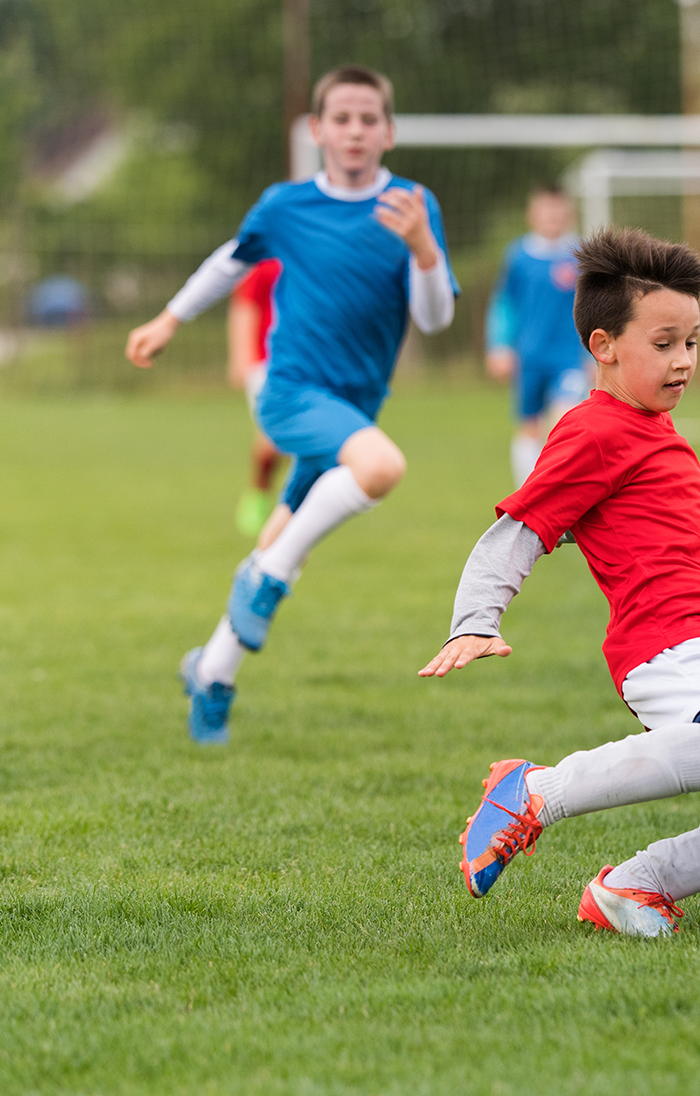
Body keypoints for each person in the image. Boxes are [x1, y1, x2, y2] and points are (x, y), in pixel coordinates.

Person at [421, 228, 700, 937]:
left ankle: (635, 885)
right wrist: (477, 618)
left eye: (691, 342)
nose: (684, 361)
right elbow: (520, 528)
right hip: (663, 642)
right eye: (664, 344)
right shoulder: (593, 428)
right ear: (604, 346)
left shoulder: (651, 427)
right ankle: (535, 792)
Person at [125, 65, 459, 744]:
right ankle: (265, 579)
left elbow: (435, 319)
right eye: (342, 118)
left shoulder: (413, 205)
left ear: (388, 132)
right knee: (381, 468)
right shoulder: (285, 205)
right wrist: (168, 320)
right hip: (291, 393)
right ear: (317, 130)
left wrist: (424, 247)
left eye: (369, 119)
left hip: (357, 405)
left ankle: (211, 674)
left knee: (283, 531)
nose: (356, 130)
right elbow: (230, 259)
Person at [483, 185, 591, 488]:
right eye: (546, 210)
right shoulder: (518, 256)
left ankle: (559, 495)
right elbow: (504, 304)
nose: (553, 217)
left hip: (568, 357)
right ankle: (526, 497)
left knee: (563, 423)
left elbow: (596, 309)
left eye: (559, 211)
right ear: (532, 214)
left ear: (569, 214)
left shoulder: (581, 255)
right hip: (529, 356)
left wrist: (593, 355)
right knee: (529, 427)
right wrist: (499, 346)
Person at [227, 258, 288, 537]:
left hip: (308, 364)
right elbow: (245, 305)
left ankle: (293, 506)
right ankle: (259, 490)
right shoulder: (268, 262)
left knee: (297, 440)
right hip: (266, 364)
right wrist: (241, 356)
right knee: (273, 440)